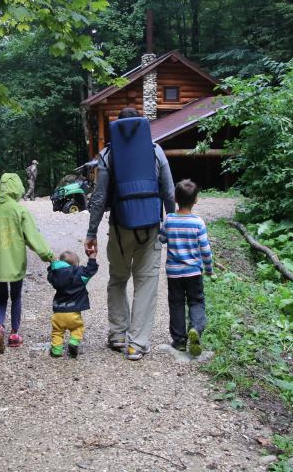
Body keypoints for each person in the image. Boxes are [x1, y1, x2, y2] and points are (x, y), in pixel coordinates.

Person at [84, 107, 176, 361]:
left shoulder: (108, 154)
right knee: (146, 282)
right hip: (151, 227)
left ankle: (117, 335)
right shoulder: (155, 151)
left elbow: (99, 198)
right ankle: (137, 343)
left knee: (118, 279)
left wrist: (91, 232)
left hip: (120, 226)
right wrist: (172, 222)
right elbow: (168, 192)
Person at [0, 173, 54, 353]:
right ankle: (14, 335)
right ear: (16, 188)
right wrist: (49, 256)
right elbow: (33, 238)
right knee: (16, 296)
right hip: (16, 264)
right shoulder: (20, 210)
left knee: (1, 296)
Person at [160, 179, 214, 357]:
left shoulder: (169, 220)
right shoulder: (198, 222)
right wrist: (209, 269)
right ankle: (196, 329)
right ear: (196, 200)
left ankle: (179, 341)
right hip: (194, 272)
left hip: (174, 273)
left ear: (175, 198)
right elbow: (205, 250)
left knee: (176, 304)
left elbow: (162, 239)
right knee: (196, 301)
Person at [47, 250, 98, 358]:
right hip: (74, 313)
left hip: (58, 312)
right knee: (77, 328)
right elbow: (90, 270)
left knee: (57, 332)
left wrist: (54, 264)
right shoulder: (79, 274)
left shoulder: (55, 276)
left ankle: (56, 351)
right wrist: (92, 258)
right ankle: (73, 343)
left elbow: (50, 273)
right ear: (76, 265)